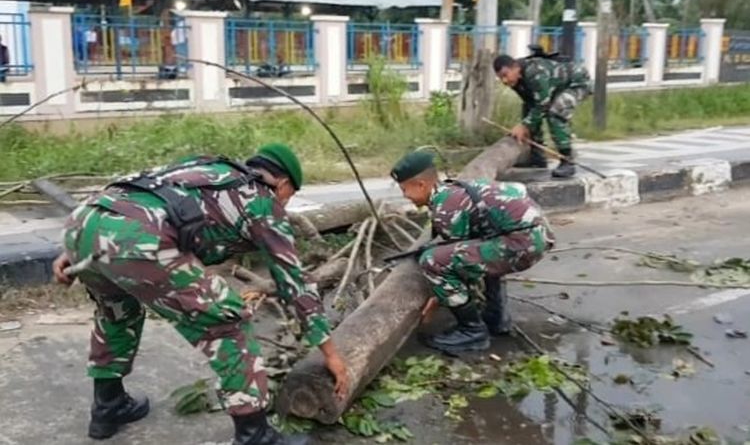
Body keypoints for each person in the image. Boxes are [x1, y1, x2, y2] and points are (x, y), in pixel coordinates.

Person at [52, 143, 348, 445]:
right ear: (283, 183)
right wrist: (332, 356)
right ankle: (255, 437)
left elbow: (145, 199)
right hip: (137, 240)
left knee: (117, 313)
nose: (286, 203)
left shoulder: (207, 168)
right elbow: (294, 284)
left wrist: (78, 247)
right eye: (290, 195)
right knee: (229, 325)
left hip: (84, 223)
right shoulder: (262, 201)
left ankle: (108, 406)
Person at [390, 150, 555, 354]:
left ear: (421, 185)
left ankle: (472, 331)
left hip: (524, 242)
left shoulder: (446, 210)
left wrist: (439, 297)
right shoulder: (453, 190)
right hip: (535, 234)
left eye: (404, 189)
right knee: (484, 251)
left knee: (433, 261)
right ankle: (497, 319)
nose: (404, 196)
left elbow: (459, 266)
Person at [493, 48, 593, 178]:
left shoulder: (535, 72)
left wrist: (524, 125)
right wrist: (525, 124)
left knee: (556, 112)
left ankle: (567, 160)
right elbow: (531, 104)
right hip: (555, 87)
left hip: (577, 84)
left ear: (515, 67)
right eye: (501, 78)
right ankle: (537, 157)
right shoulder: (516, 81)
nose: (504, 81)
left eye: (506, 75)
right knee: (528, 111)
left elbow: (542, 104)